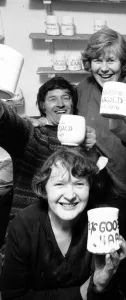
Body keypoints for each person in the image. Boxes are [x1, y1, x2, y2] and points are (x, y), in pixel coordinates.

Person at [77, 27, 126, 299]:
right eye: (98, 59)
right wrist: (81, 138)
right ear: (89, 62)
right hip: (102, 187)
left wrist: (123, 129)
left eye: (111, 60)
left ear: (123, 63)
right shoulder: (83, 88)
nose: (104, 67)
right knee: (104, 255)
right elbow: (77, 130)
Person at [0, 148, 126, 299]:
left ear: (90, 187)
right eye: (59, 184)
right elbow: (12, 297)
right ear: (44, 188)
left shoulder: (103, 221)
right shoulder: (24, 225)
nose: (70, 195)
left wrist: (101, 284)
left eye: (79, 184)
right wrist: (81, 293)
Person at [0, 76, 96, 218]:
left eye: (66, 97)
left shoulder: (85, 139)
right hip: (30, 228)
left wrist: (92, 151)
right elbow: (9, 122)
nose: (60, 104)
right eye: (52, 99)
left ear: (73, 103)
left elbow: (95, 186)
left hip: (73, 226)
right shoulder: (34, 133)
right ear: (43, 105)